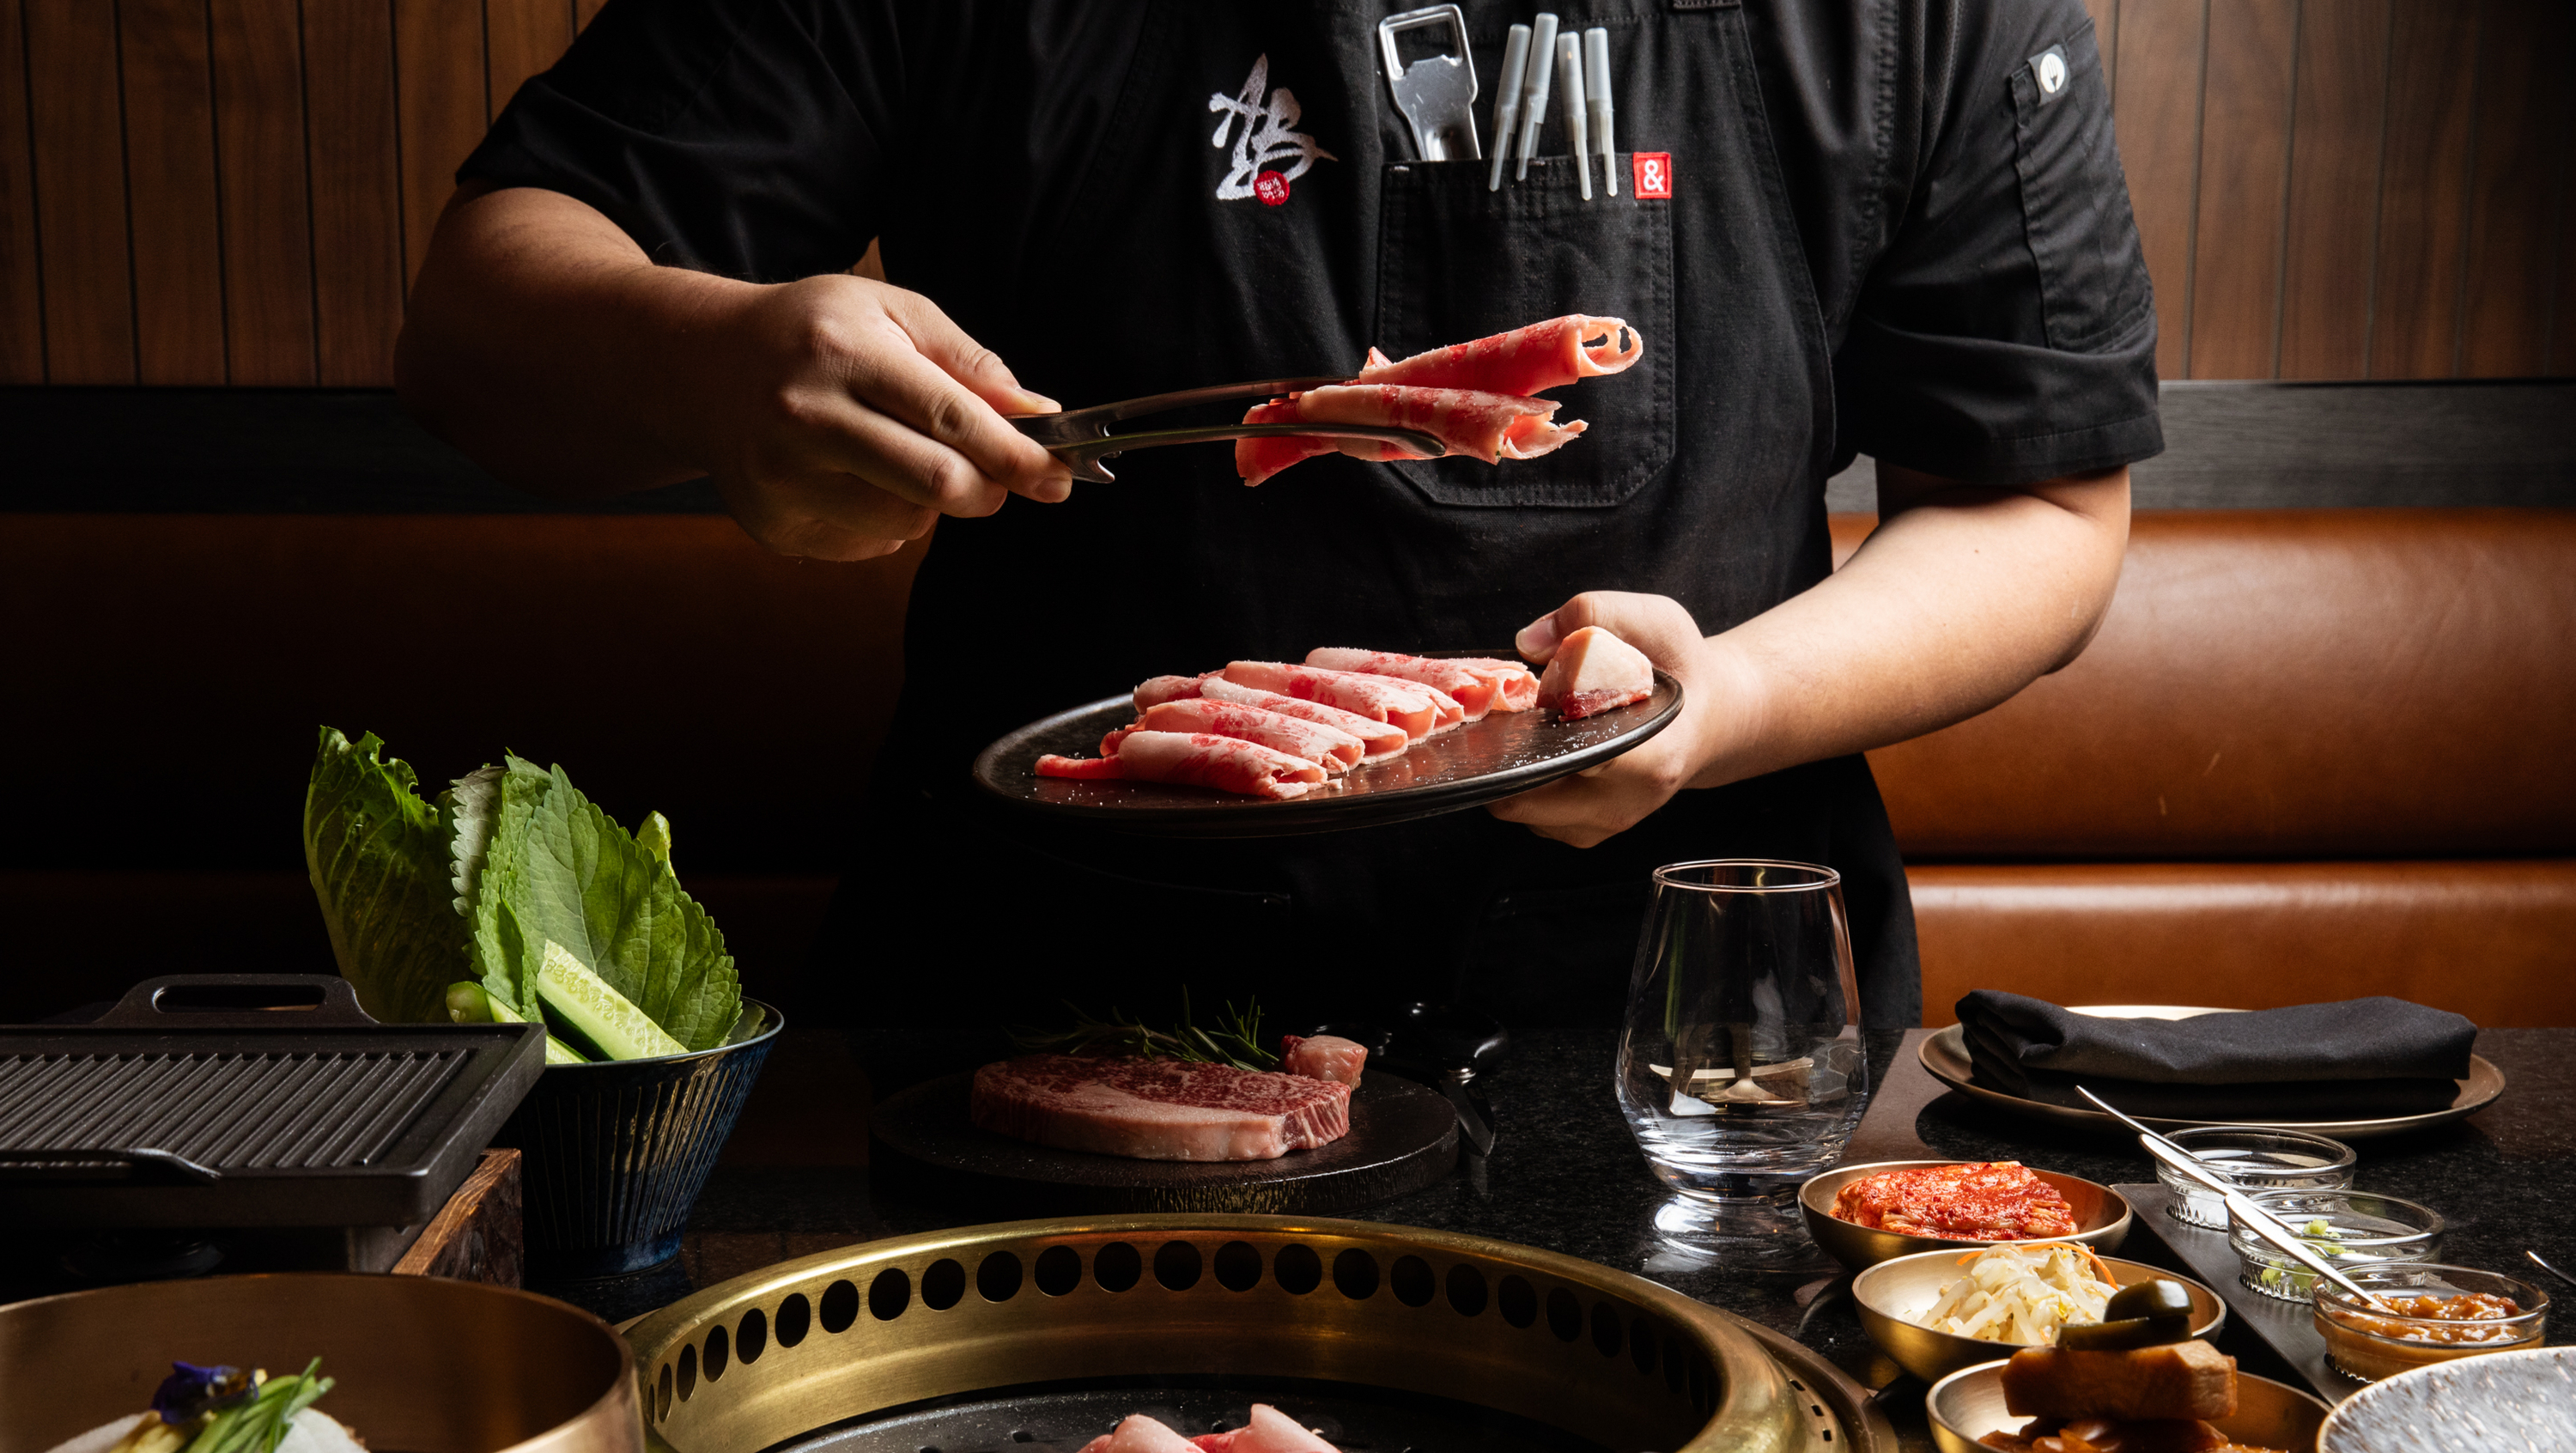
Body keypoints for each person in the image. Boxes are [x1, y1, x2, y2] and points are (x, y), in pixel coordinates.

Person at [398, 0, 2159, 1035]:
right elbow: (479, 318)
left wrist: (1731, 704)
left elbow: (2041, 500)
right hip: (1050, 997)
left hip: (1683, 1015)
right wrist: (713, 362)